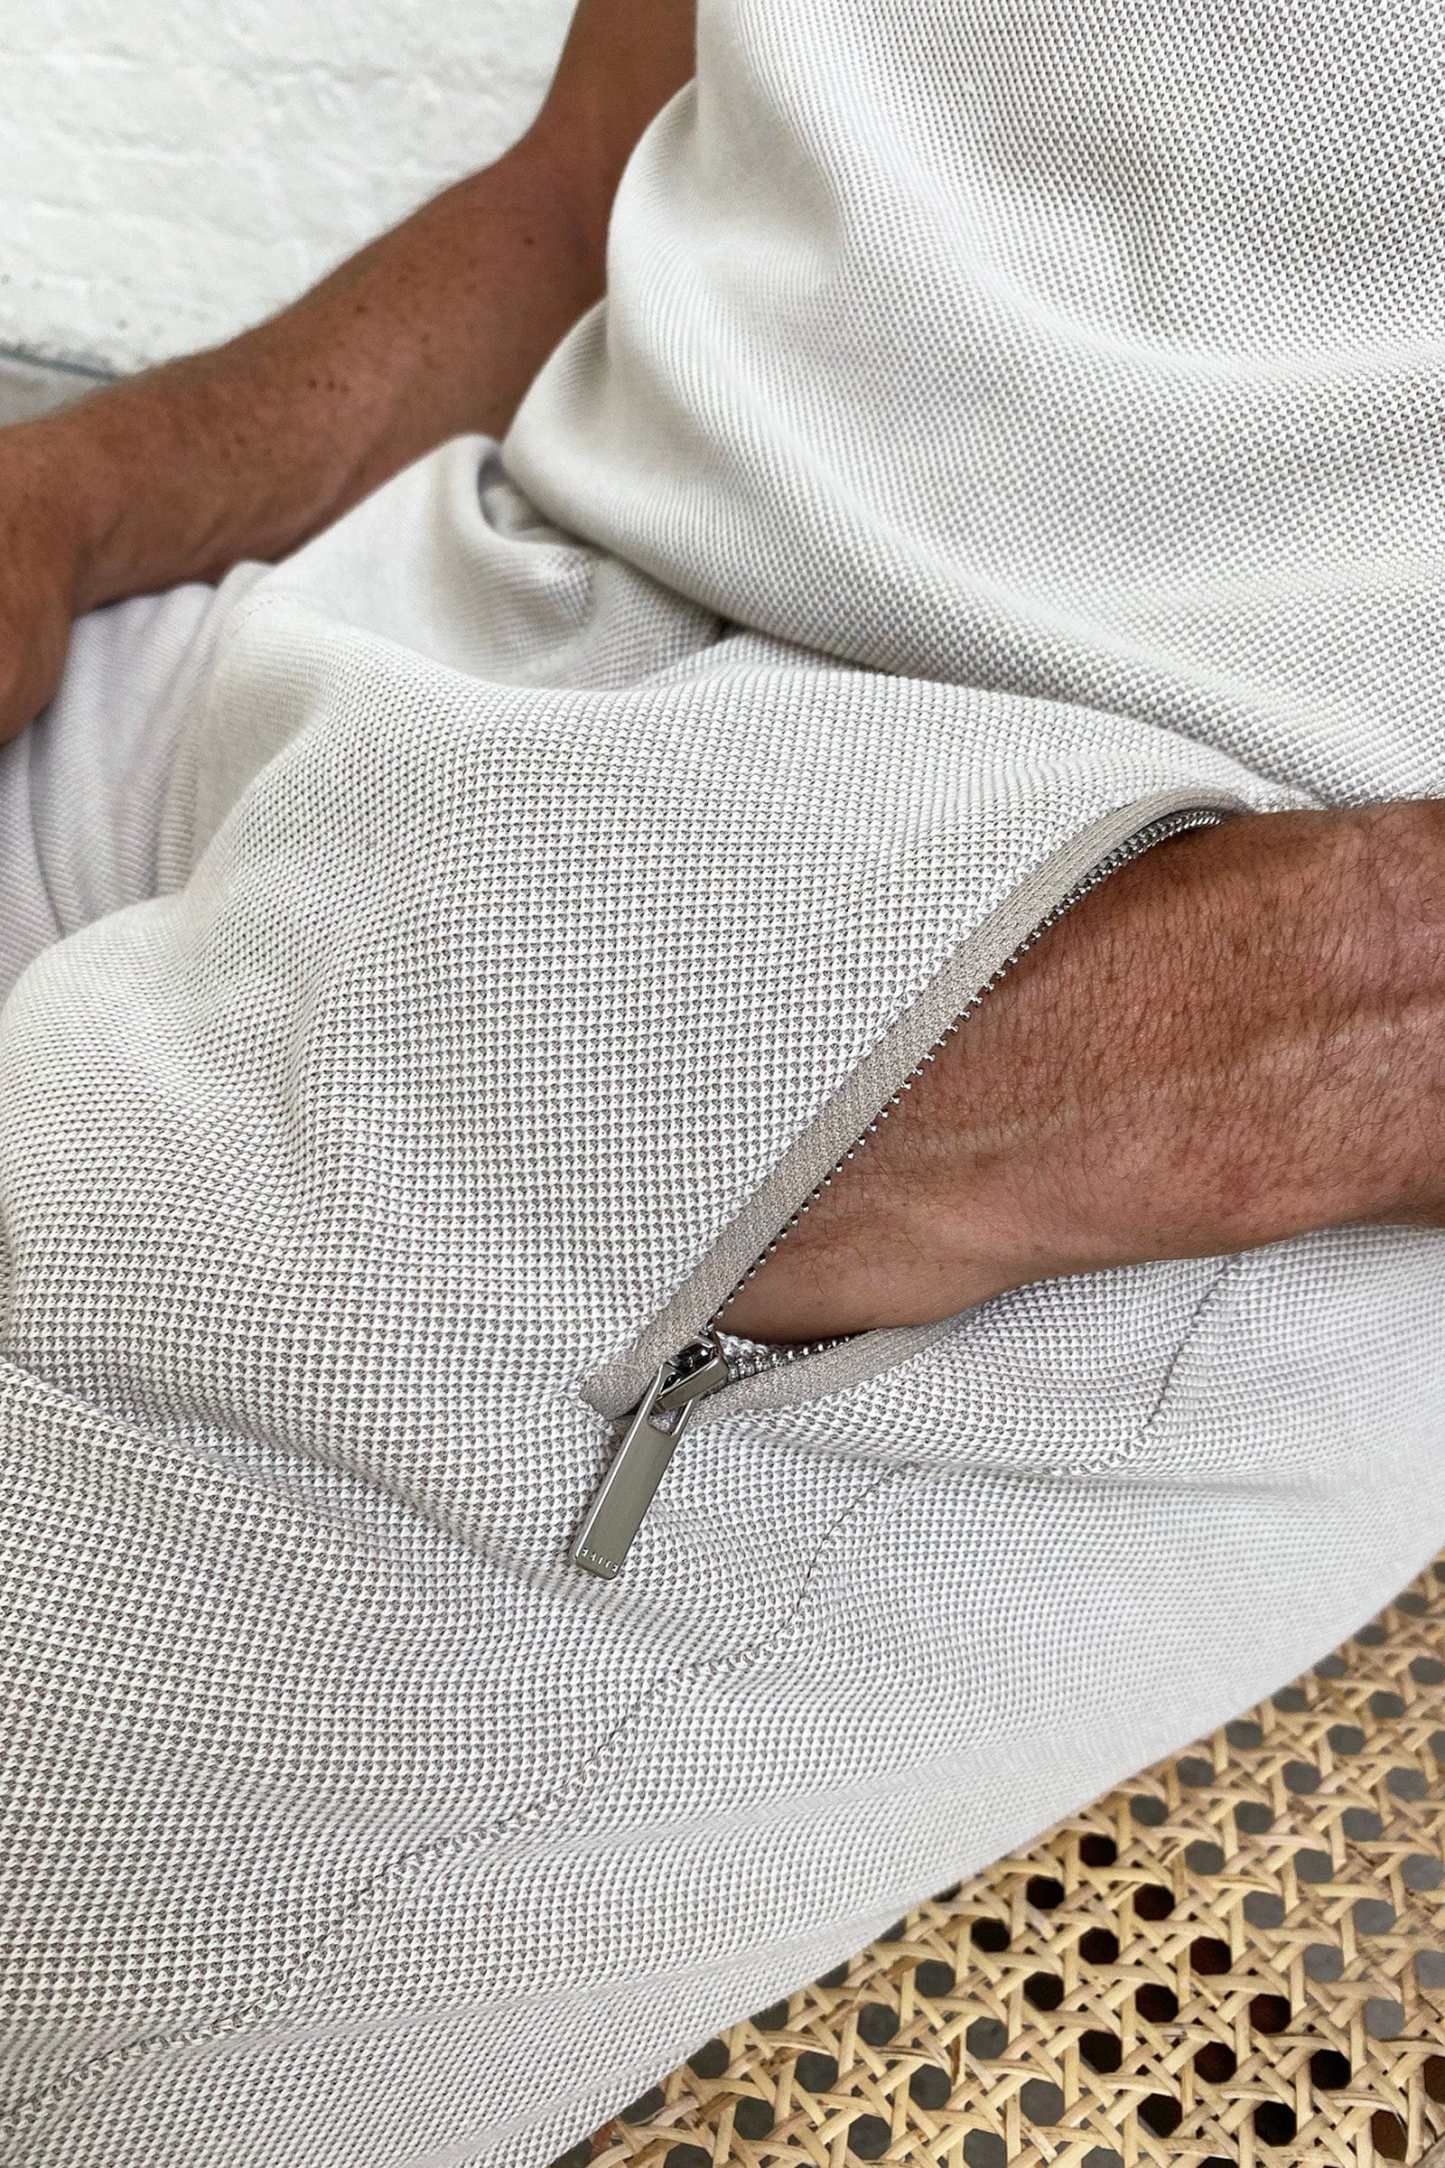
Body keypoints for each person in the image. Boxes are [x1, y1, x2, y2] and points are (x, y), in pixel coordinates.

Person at [2, 0, 1443, 2159]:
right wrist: (66, 505)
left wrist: (1178, 1040)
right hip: (422, 613)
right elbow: (590, 182)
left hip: (1032, 958)